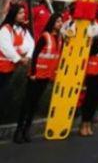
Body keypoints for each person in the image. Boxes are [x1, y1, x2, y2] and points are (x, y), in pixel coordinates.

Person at [15, 12, 65, 143]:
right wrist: (32, 73)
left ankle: (27, 130)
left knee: (34, 104)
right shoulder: (45, 37)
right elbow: (36, 55)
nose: (60, 24)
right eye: (58, 21)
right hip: (36, 76)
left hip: (46, 77)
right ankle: (18, 131)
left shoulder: (59, 39)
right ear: (52, 23)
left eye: (61, 21)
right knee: (27, 103)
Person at [0, 3, 34, 100]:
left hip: (10, 68)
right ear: (13, 14)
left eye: (24, 13)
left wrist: (27, 56)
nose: (23, 15)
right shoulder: (5, 29)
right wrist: (20, 59)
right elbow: (7, 48)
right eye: (20, 13)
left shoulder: (23, 30)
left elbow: (31, 44)